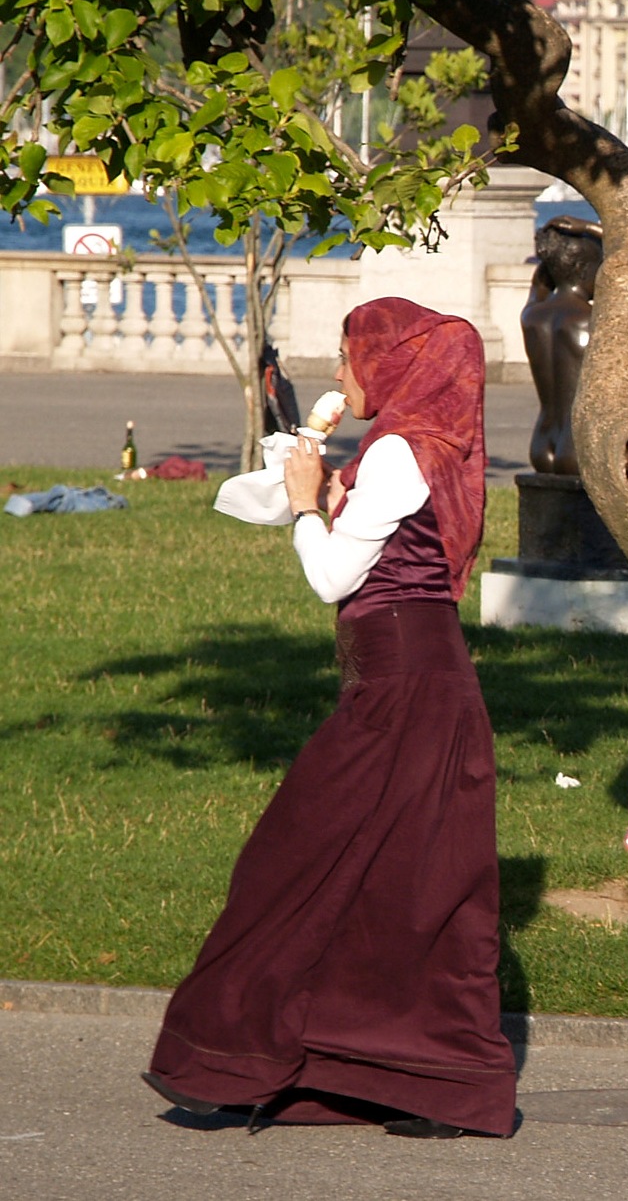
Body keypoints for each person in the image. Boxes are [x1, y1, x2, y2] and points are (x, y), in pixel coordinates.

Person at [144, 298, 516, 1140]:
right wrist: (318, 489)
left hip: (404, 690)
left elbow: (332, 580)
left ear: (394, 364)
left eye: (351, 359)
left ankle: (282, 1063)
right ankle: (389, 1077)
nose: (342, 377)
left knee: (304, 864)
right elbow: (344, 535)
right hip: (408, 683)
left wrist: (313, 503)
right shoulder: (426, 445)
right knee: (398, 882)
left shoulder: (400, 452)